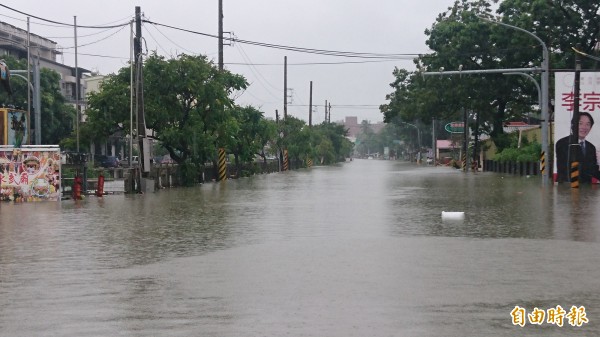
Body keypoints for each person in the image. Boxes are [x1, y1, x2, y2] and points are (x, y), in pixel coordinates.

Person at [555, 112, 600, 184]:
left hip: (586, 190)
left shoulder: (591, 147)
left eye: (588, 124)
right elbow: (566, 167)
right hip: (566, 188)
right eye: (580, 123)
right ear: (573, 125)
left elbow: (593, 170)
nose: (584, 127)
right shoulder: (563, 143)